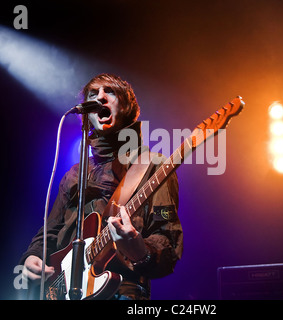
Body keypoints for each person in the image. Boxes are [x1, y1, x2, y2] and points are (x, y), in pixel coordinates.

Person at [19, 73, 183, 300]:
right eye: (93, 94)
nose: (100, 97)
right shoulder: (74, 174)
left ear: (126, 105)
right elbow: (49, 232)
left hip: (121, 290)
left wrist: (139, 250)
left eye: (110, 92)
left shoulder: (152, 165)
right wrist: (32, 256)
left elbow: (167, 240)